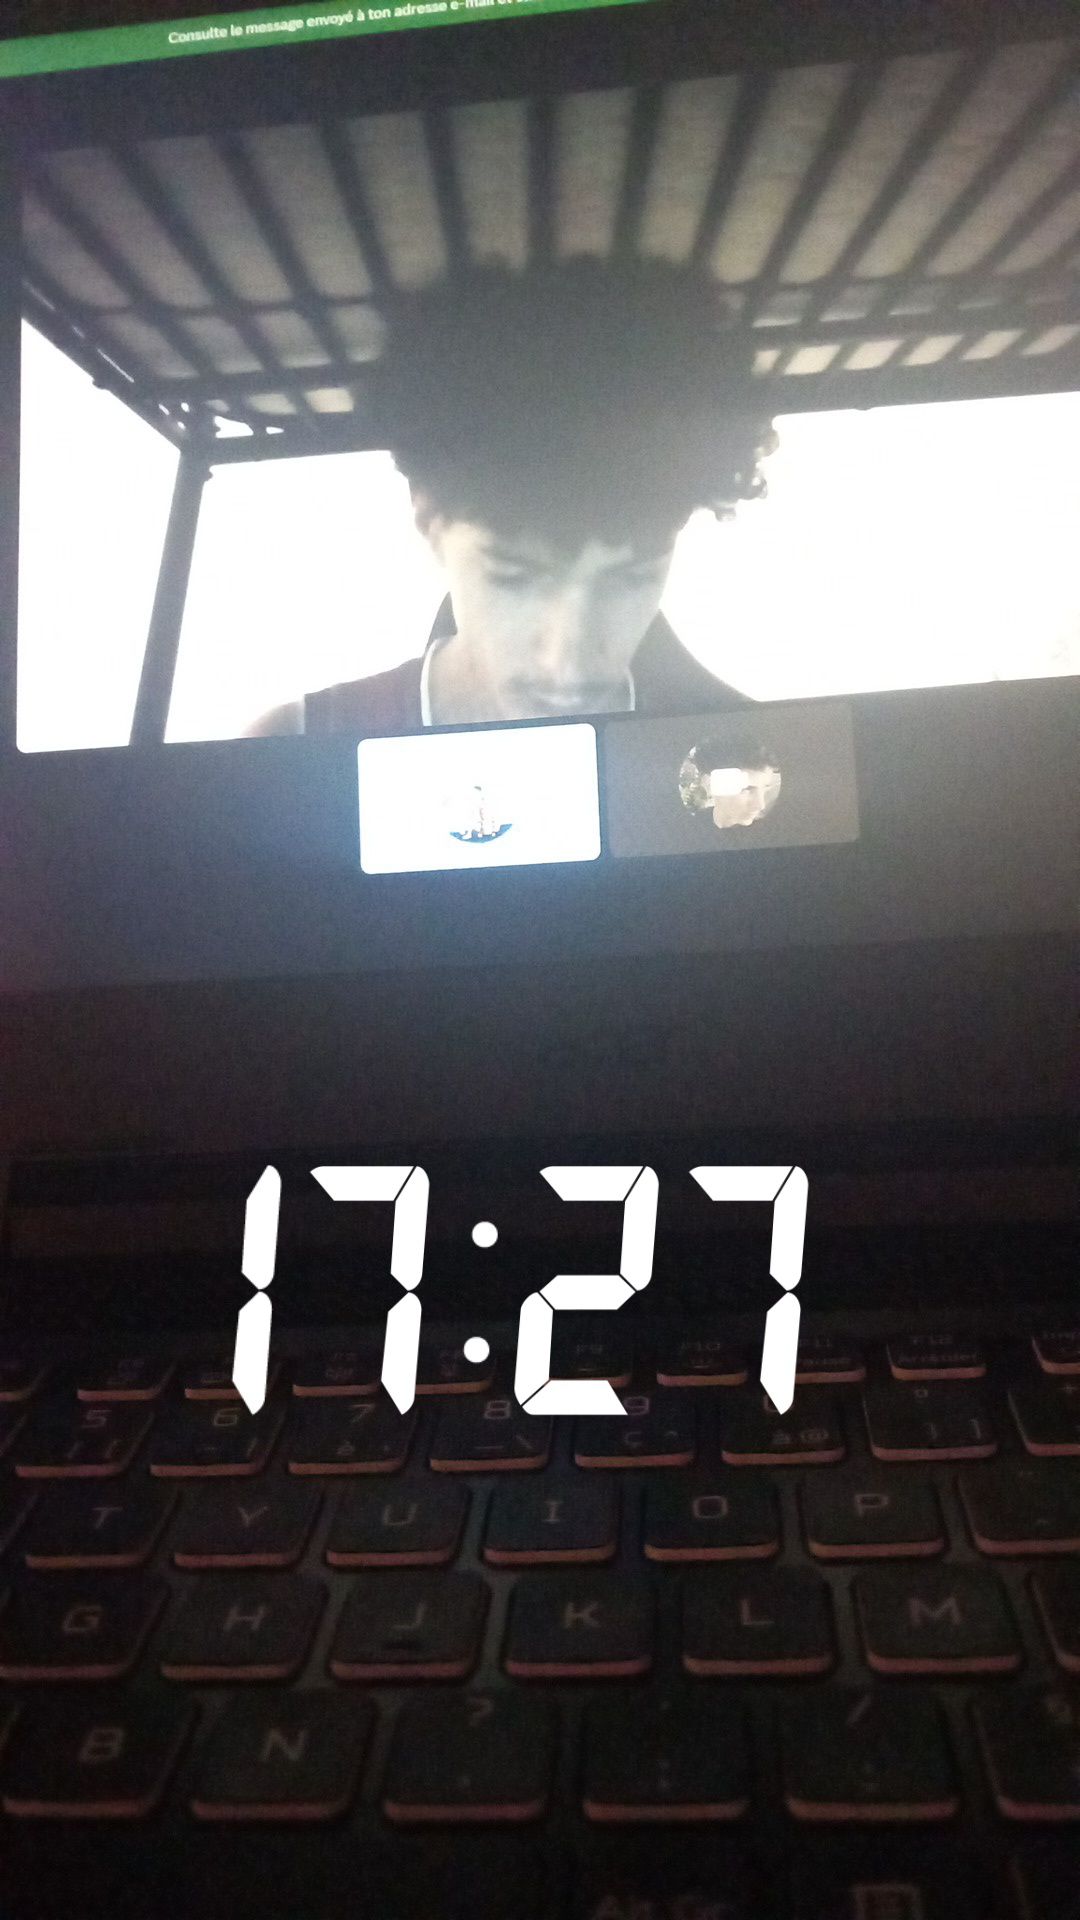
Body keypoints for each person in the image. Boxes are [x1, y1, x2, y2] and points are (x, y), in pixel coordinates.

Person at [246, 257, 778, 737]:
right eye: (514, 576)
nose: (567, 667)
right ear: (428, 519)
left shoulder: (754, 753)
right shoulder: (295, 747)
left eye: (632, 576)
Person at [678, 733, 782, 829]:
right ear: (712, 784)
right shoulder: (685, 829)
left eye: (765, 787)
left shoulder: (773, 831)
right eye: (746, 788)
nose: (760, 805)